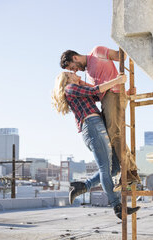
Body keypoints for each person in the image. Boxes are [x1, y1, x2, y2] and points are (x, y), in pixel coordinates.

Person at [52, 71, 140, 219]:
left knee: (116, 167)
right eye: (70, 73)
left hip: (96, 127)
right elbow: (95, 90)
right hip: (92, 127)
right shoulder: (70, 88)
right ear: (66, 79)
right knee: (105, 169)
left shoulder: (77, 89)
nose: (75, 73)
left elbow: (100, 95)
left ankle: (83, 186)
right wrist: (117, 80)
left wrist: (125, 93)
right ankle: (117, 206)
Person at [60, 47, 141, 190]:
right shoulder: (88, 74)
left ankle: (129, 173)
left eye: (73, 68)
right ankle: (130, 172)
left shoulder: (97, 52)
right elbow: (97, 93)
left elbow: (119, 56)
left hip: (113, 95)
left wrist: (123, 39)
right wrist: (126, 93)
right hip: (108, 100)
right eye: (72, 70)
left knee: (114, 134)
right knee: (114, 135)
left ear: (75, 58)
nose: (75, 71)